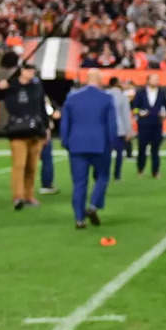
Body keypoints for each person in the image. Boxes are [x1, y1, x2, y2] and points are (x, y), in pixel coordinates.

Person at [0, 54, 48, 210]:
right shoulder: (11, 86)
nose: (31, 73)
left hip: (36, 131)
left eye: (33, 70)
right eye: (29, 70)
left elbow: (42, 107)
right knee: (19, 165)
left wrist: (47, 127)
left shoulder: (37, 86)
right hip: (17, 132)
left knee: (32, 166)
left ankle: (29, 196)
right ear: (22, 70)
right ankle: (18, 197)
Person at [60, 69, 117, 228]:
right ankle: (93, 206)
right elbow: (111, 125)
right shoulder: (106, 98)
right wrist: (112, 143)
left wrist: (66, 142)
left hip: (77, 145)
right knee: (102, 177)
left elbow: (65, 124)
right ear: (99, 80)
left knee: (79, 183)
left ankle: (79, 219)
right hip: (100, 144)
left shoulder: (72, 98)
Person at [132, 71, 166, 178]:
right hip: (143, 125)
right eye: (154, 79)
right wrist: (139, 112)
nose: (157, 81)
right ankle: (140, 169)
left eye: (157, 79)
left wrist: (164, 113)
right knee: (142, 149)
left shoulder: (162, 92)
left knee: (155, 150)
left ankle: (155, 171)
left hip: (157, 124)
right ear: (148, 81)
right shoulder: (140, 92)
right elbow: (134, 108)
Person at [106, 77, 134, 181]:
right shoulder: (123, 97)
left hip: (107, 130)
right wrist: (129, 131)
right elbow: (126, 116)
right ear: (117, 84)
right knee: (119, 154)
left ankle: (104, 174)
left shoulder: (105, 95)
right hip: (119, 130)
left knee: (106, 154)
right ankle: (117, 175)